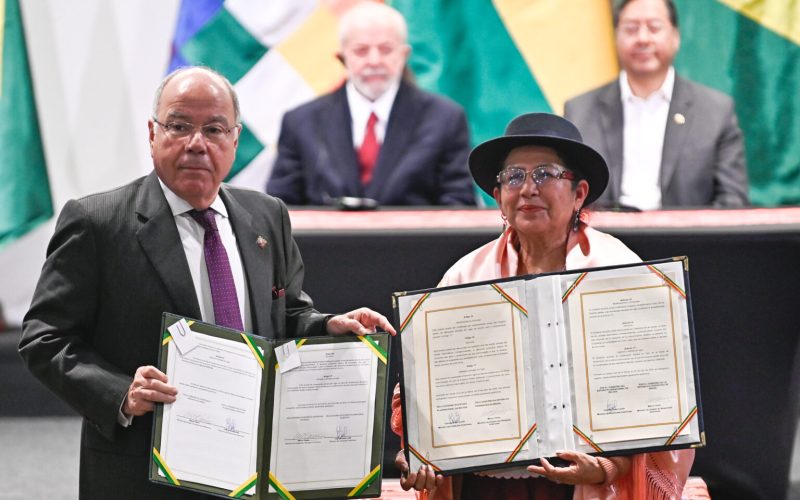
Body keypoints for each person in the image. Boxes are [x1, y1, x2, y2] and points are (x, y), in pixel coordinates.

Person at [18, 66, 395, 499]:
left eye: (214, 129)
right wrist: (120, 392)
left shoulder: (267, 216)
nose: (197, 143)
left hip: (254, 468)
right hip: (143, 475)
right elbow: (44, 338)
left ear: (234, 140)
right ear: (152, 133)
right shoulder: (98, 222)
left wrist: (327, 326)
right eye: (179, 126)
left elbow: (286, 311)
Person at [392, 113, 703, 499]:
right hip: (483, 487)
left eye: (544, 174)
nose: (527, 189)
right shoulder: (465, 276)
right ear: (498, 197)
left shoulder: (623, 274)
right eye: (514, 177)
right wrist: (422, 455)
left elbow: (657, 403)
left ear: (579, 194)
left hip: (580, 489)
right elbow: (428, 396)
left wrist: (606, 467)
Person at [266, 1, 475, 206]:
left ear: (403, 55)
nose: (374, 61)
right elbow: (280, 210)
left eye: (386, 49)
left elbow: (459, 206)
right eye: (361, 50)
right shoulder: (302, 122)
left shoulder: (445, 119)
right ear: (342, 57)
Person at [564, 0, 749, 210]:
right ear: (616, 36)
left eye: (654, 28)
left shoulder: (715, 112)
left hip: (687, 230)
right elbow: (566, 196)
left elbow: (732, 203)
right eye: (631, 29)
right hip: (603, 229)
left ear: (675, 37)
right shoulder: (579, 111)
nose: (643, 38)